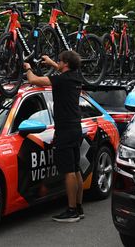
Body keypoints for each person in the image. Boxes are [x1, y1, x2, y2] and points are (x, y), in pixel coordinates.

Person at [24, 50, 83, 223]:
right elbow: (61, 69)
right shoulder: (75, 77)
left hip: (64, 129)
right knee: (76, 168)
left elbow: (33, 80)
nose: (58, 62)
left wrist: (28, 68)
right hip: (75, 127)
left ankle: (71, 211)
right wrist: (50, 62)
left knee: (69, 171)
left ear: (66, 64)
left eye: (59, 61)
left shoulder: (61, 80)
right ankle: (78, 207)